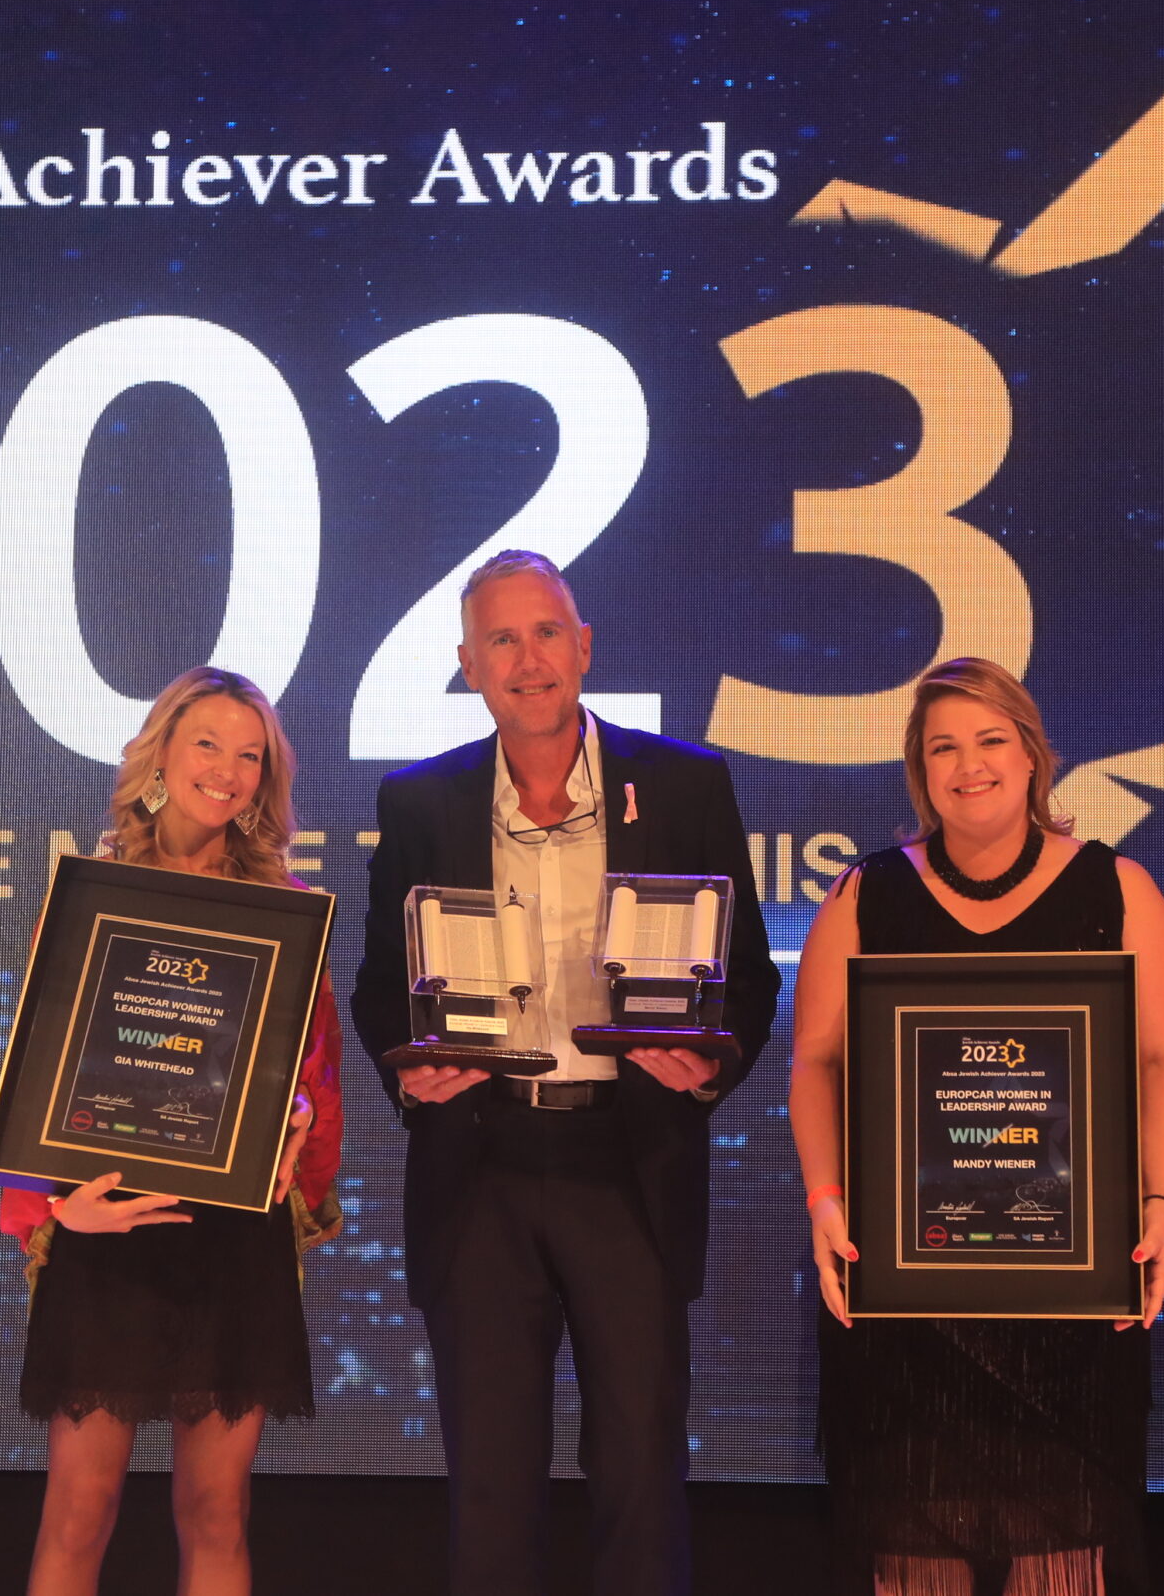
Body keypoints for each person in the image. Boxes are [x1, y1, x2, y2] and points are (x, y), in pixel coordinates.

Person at [351, 550, 781, 1596]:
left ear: (583, 647)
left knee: (638, 1471)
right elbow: (376, 989)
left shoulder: (682, 784)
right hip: (481, 1166)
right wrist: (409, 1077)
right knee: (491, 1488)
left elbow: (751, 982)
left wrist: (704, 1066)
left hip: (627, 1161)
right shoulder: (420, 803)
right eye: (500, 639)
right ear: (466, 665)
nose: (527, 658)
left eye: (545, 632)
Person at [789, 657, 1164, 1596]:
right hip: (904, 1311)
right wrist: (825, 1196)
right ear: (919, 770)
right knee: (910, 1559)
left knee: (1063, 1560)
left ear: (1031, 754)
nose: (968, 765)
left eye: (989, 740)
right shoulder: (868, 894)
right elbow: (815, 1059)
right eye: (943, 747)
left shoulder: (1117, 889)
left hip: (1069, 1311)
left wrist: (1160, 1201)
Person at [0, 666, 345, 1596]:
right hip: (106, 1226)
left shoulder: (284, 905)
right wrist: (64, 1205)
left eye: (250, 755)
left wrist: (295, 1129)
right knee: (79, 1507)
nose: (228, 771)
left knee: (216, 1511)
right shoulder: (93, 892)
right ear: (161, 753)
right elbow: (45, 1070)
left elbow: (307, 1071)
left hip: (231, 1237)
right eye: (208, 744)